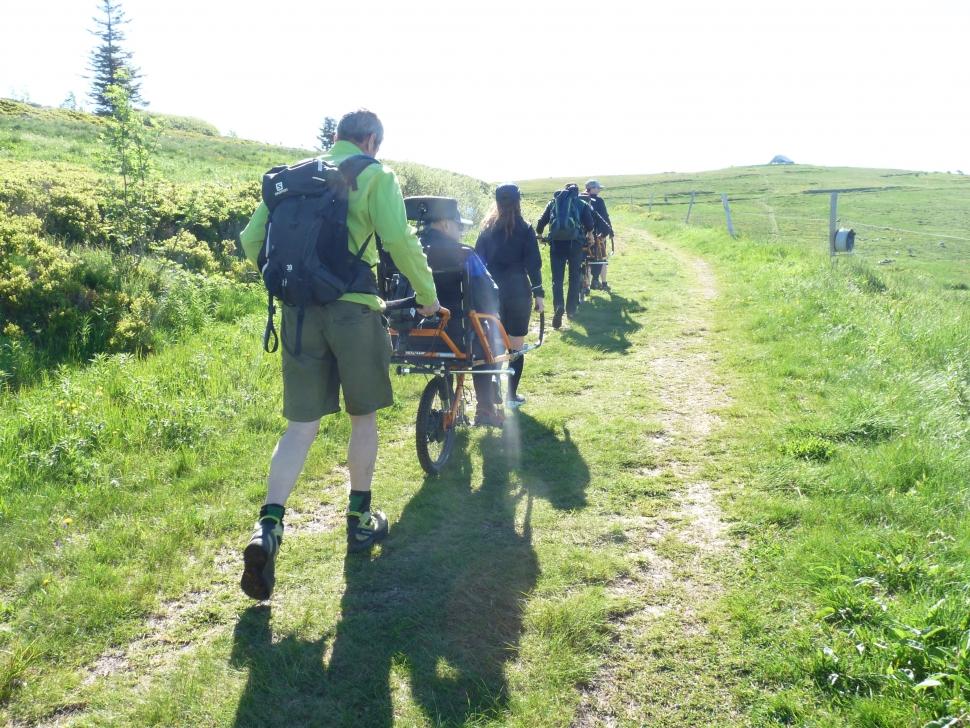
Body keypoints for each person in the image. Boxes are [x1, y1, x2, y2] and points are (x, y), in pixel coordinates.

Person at [237, 109, 440, 600]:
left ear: (334, 137)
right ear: (371, 141)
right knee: (362, 419)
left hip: (299, 314)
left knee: (300, 428)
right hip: (353, 310)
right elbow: (398, 241)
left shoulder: (293, 179)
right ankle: (360, 520)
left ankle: (268, 526)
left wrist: (295, 284)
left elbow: (249, 241)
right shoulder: (374, 176)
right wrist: (429, 296)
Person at [406, 196, 506, 428]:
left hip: (411, 334)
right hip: (457, 335)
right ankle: (485, 409)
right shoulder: (464, 253)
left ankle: (451, 405)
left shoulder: (404, 251)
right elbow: (489, 292)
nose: (461, 232)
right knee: (489, 339)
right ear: (444, 224)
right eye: (459, 226)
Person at [474, 183, 544, 407]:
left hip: (490, 294)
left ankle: (492, 388)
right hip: (518, 292)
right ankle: (511, 396)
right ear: (518, 201)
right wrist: (539, 294)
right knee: (515, 348)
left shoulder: (486, 229)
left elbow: (476, 262)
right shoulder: (525, 228)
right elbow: (534, 265)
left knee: (491, 347)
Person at [535, 183, 593, 329]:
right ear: (576, 192)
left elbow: (541, 223)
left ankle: (558, 306)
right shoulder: (582, 203)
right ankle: (571, 310)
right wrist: (589, 235)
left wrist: (541, 236)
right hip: (575, 245)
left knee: (557, 279)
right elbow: (590, 225)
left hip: (556, 245)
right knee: (573, 277)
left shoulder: (553, 202)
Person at [580, 179, 614, 291]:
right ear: (592, 188)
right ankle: (603, 283)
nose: (599, 190)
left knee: (585, 260)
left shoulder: (578, 199)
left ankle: (586, 286)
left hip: (581, 236)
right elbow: (605, 217)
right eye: (598, 188)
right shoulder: (599, 201)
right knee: (602, 258)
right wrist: (608, 232)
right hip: (598, 235)